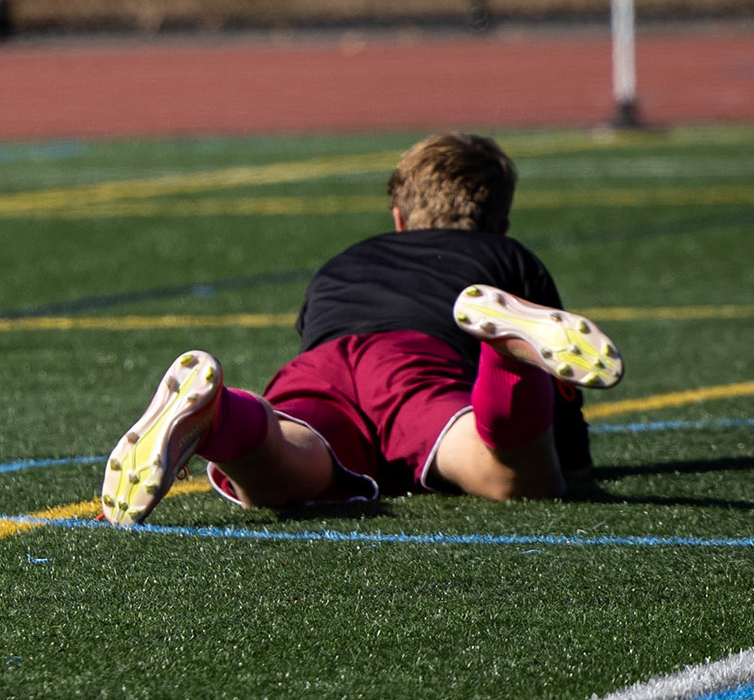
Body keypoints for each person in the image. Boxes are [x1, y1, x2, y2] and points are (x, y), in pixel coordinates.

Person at [102, 132, 624, 526]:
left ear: (398, 218)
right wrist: (573, 468)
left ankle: (221, 418)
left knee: (293, 465)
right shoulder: (506, 255)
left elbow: (314, 334)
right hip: (412, 361)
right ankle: (506, 357)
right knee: (512, 478)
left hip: (321, 364)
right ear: (501, 226)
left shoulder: (343, 262)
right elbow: (564, 402)